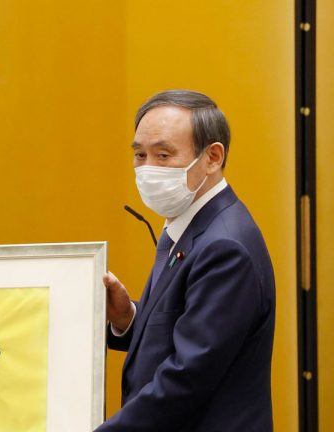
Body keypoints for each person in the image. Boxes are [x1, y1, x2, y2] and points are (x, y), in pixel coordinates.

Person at [97, 90, 275, 431]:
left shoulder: (225, 247)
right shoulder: (189, 225)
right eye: (140, 155)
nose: (148, 169)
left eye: (163, 155)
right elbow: (184, 329)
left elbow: (186, 377)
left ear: (212, 157)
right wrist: (127, 318)